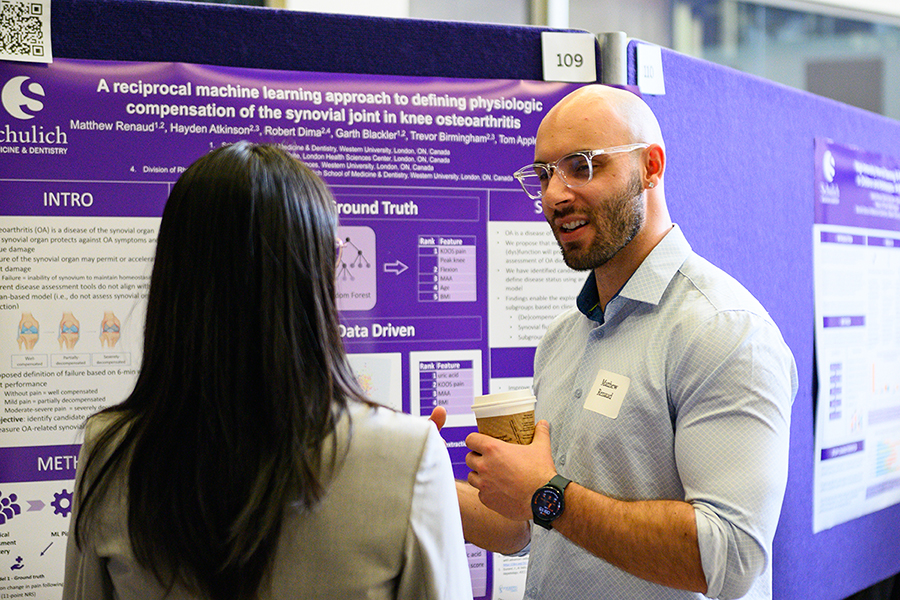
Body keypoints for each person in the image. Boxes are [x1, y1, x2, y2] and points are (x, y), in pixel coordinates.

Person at [63, 142, 473, 600]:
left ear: (174, 277)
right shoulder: (410, 454)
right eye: (333, 252)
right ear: (316, 272)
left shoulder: (111, 448)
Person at [446, 84, 798, 600]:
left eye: (583, 165)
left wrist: (548, 495)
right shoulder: (564, 338)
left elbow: (730, 558)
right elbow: (522, 530)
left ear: (651, 167)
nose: (554, 194)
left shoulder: (724, 330)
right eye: (544, 174)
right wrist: (415, 475)